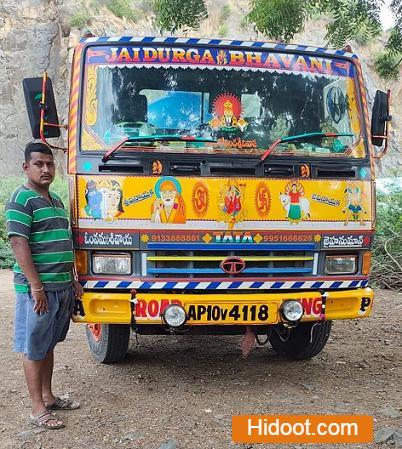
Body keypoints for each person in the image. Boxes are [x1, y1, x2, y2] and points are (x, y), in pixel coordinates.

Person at [6, 142, 83, 430]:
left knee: (48, 344)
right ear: (26, 167)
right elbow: (18, 242)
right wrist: (36, 287)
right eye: (39, 164)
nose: (46, 169)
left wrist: (73, 279)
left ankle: (49, 397)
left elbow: (64, 243)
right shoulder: (22, 199)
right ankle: (37, 408)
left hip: (61, 285)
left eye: (50, 164)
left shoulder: (57, 202)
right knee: (34, 347)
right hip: (38, 290)